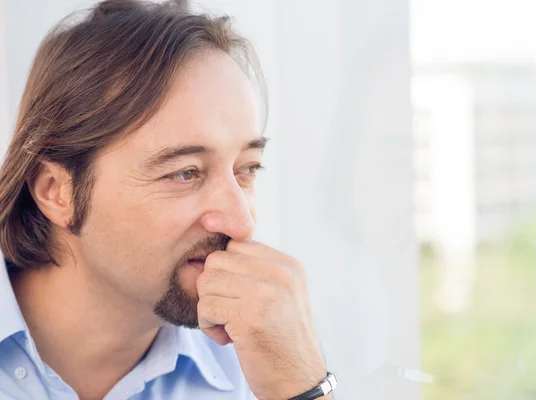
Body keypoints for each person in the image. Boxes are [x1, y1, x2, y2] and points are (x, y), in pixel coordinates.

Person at [0, 1, 336, 399]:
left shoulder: (262, 366)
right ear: (56, 191)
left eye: (247, 169)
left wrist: (304, 391)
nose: (240, 222)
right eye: (185, 173)